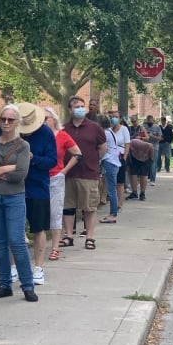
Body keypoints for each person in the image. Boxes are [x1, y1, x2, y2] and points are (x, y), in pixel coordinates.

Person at [0, 104, 39, 302]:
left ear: (18, 122)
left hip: (14, 197)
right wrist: (6, 169)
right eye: (3, 119)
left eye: (11, 119)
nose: (7, 123)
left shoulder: (23, 145)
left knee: (17, 242)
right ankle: (4, 284)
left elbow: (21, 174)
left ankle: (27, 286)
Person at [18, 102, 57, 286]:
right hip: (14, 186)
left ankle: (39, 268)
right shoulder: (10, 129)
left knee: (38, 228)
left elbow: (52, 160)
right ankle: (12, 268)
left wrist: (34, 158)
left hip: (38, 186)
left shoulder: (46, 133)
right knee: (14, 230)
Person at [62, 96, 106, 250]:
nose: (80, 109)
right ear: (70, 110)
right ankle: (68, 236)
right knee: (68, 206)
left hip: (88, 173)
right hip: (68, 173)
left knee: (89, 206)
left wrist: (93, 161)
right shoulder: (64, 128)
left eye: (82, 106)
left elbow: (103, 148)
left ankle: (89, 237)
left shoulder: (95, 127)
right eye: (76, 106)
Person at [43, 107, 80, 258]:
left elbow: (78, 154)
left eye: (46, 118)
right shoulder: (36, 136)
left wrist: (64, 171)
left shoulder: (62, 135)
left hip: (55, 178)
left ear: (54, 119)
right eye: (42, 118)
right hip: (39, 178)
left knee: (55, 212)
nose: (44, 121)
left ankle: (55, 248)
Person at [99, 115, 121, 223]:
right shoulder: (111, 132)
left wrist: (98, 158)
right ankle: (113, 212)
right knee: (113, 189)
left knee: (111, 190)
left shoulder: (104, 133)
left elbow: (103, 148)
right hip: (114, 162)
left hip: (109, 162)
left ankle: (113, 214)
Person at [109, 111, 131, 212]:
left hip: (120, 155)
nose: (114, 118)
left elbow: (127, 144)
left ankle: (119, 204)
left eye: (116, 117)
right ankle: (110, 201)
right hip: (110, 157)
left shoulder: (124, 129)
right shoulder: (109, 130)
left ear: (120, 119)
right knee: (110, 181)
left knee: (120, 182)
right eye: (112, 117)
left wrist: (124, 157)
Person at [126, 127, 154, 201]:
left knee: (134, 174)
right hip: (143, 157)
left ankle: (135, 192)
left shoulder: (133, 142)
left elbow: (151, 146)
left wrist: (151, 158)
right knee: (143, 175)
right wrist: (151, 158)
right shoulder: (142, 142)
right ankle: (142, 194)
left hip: (139, 157)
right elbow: (151, 146)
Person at [143, 115, 162, 185]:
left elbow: (160, 138)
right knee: (146, 162)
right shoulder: (144, 127)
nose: (150, 122)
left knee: (153, 163)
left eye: (151, 121)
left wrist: (152, 136)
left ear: (153, 120)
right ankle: (145, 177)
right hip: (146, 146)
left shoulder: (157, 127)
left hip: (155, 147)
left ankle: (152, 179)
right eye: (149, 121)